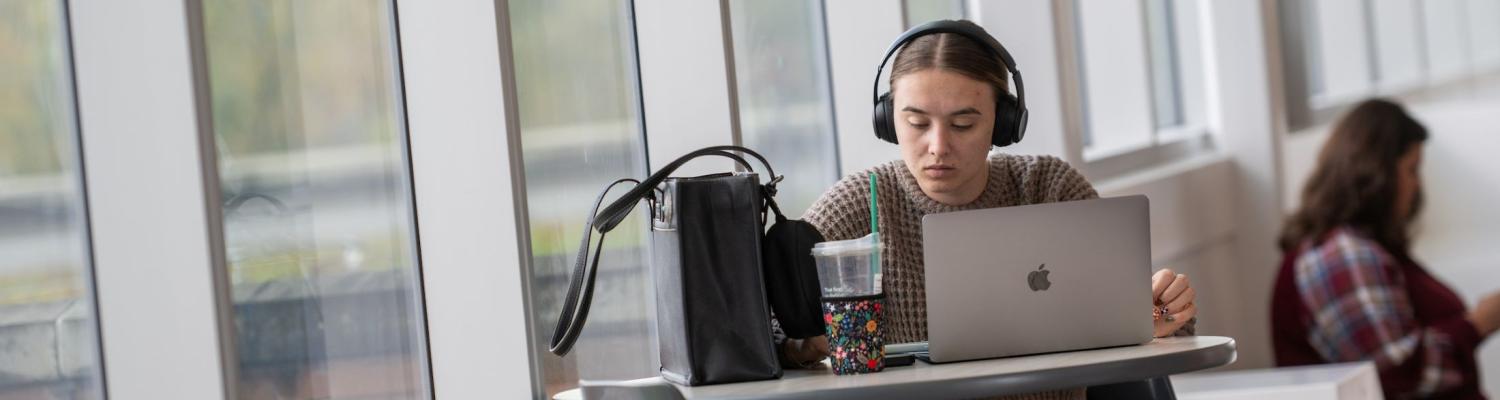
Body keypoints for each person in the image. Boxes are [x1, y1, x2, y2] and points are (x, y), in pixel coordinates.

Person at [775, 20, 1198, 400]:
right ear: (887, 121)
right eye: (917, 123)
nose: (938, 146)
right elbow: (761, 336)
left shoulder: (1049, 187)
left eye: (963, 124)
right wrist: (805, 346)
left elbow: (1146, 328)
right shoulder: (856, 204)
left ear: (1003, 123)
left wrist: (1161, 311)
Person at [1272, 99, 1499, 399]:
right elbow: (1398, 373)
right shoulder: (1343, 255)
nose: (1416, 185)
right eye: (1411, 170)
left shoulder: (1359, 247)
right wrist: (1477, 324)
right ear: (1377, 172)